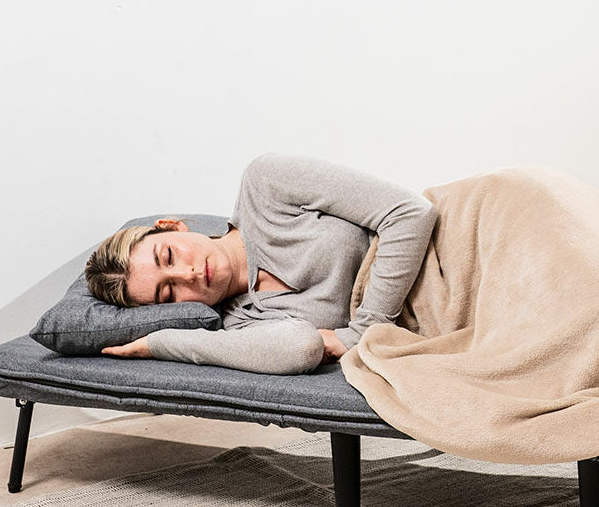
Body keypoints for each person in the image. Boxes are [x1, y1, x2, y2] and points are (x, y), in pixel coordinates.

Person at [84, 153, 437, 375]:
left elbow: (410, 213)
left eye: (169, 256)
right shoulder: (242, 325)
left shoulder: (264, 185)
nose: (188, 274)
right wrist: (161, 343)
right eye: (169, 293)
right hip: (437, 322)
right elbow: (301, 347)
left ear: (172, 226)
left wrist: (365, 329)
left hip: (450, 243)